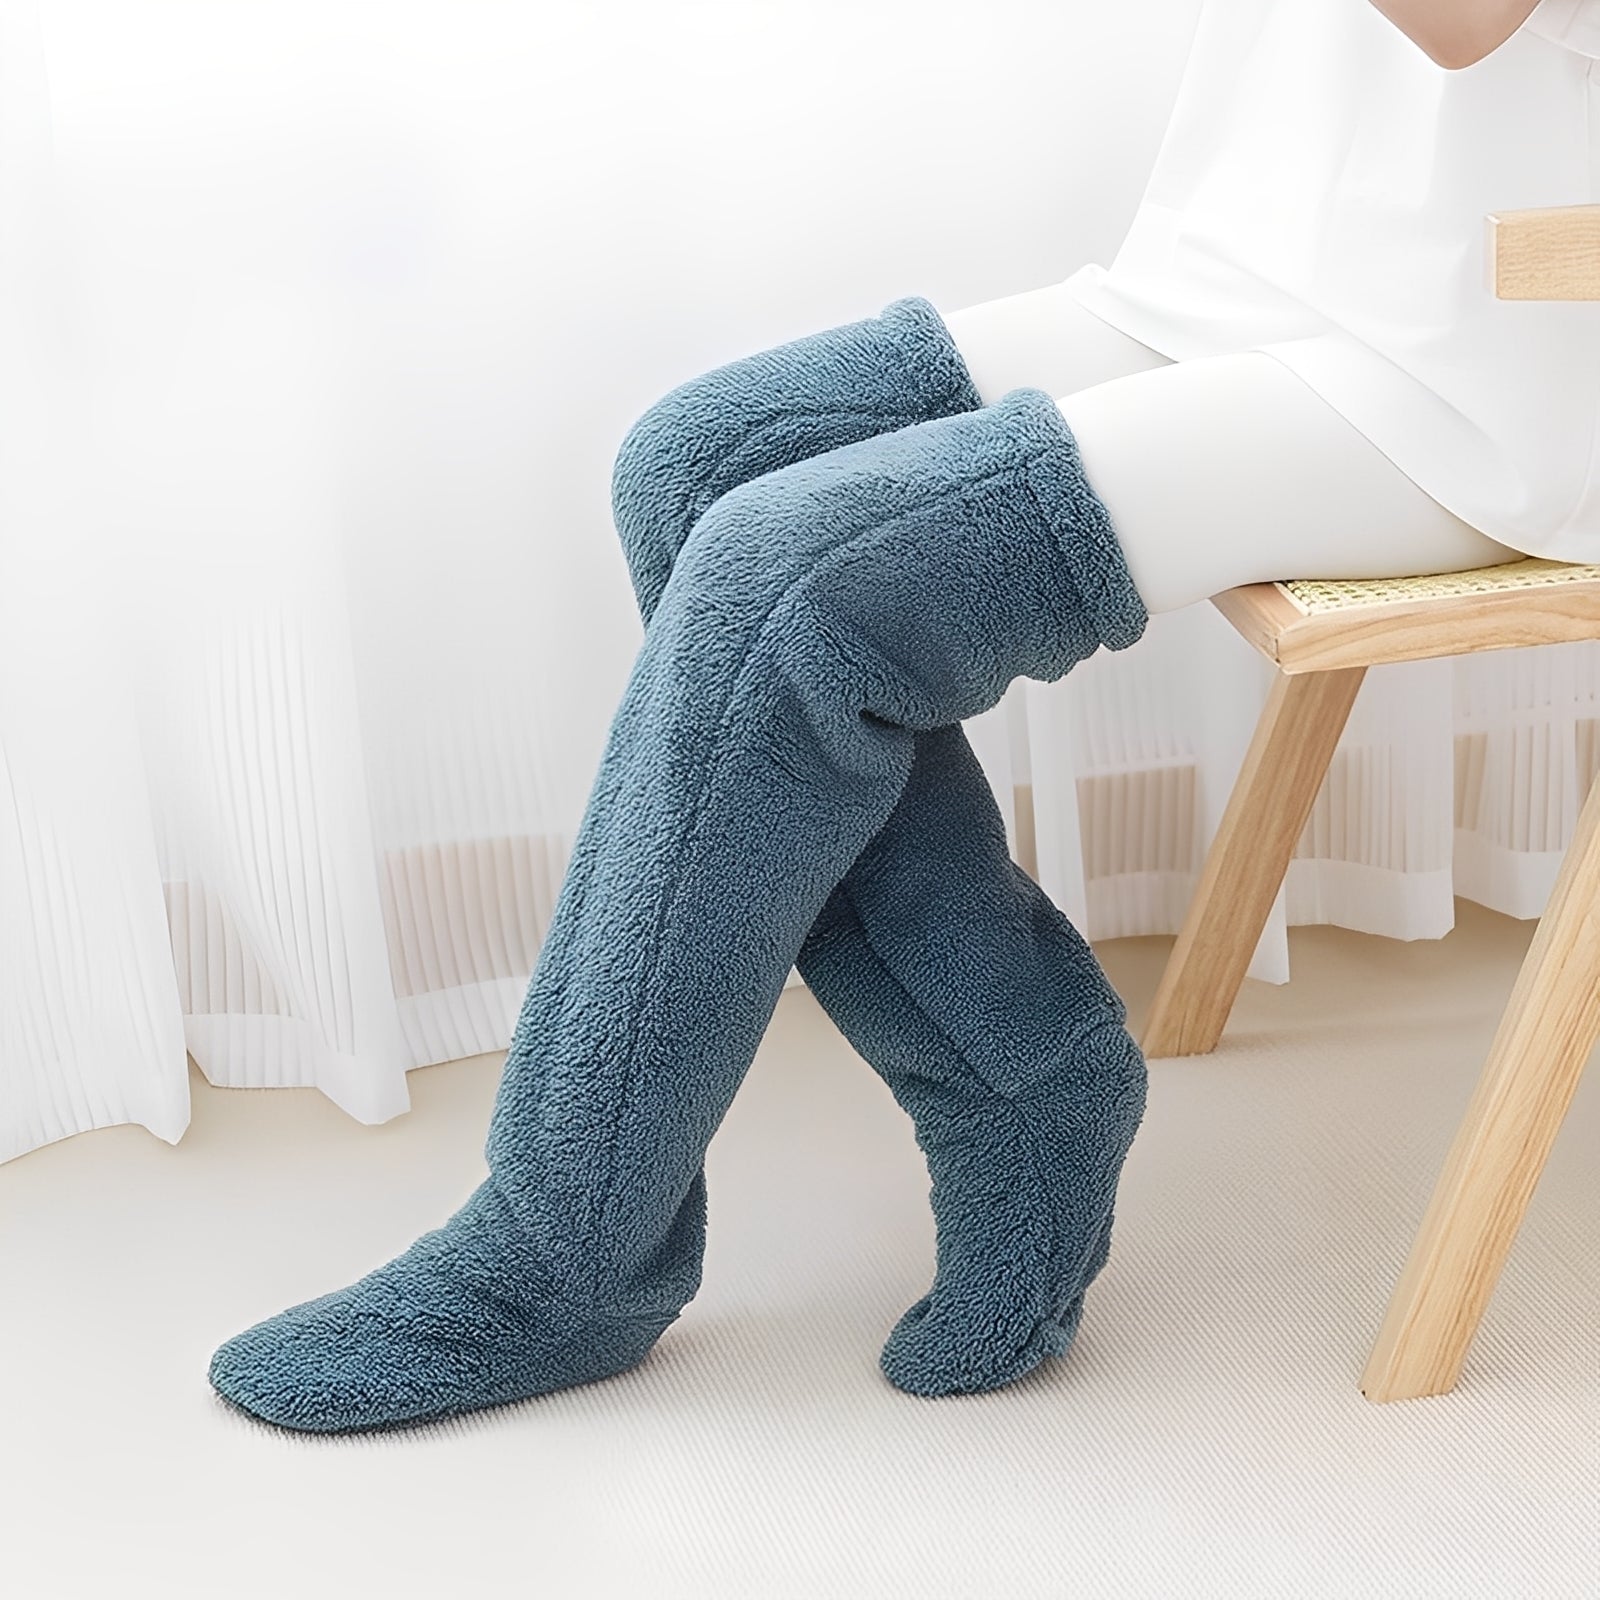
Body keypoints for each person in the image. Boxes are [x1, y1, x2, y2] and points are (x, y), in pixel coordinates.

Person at [208, 0, 1597, 1432]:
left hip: (1477, 367)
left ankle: (558, 1258)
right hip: (1259, 267)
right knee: (695, 468)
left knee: (784, 587)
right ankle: (1018, 1065)